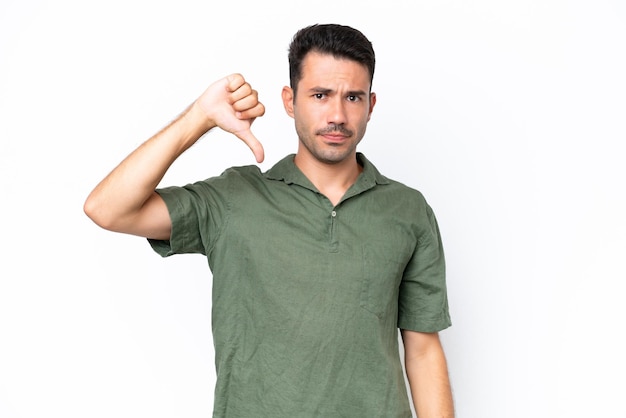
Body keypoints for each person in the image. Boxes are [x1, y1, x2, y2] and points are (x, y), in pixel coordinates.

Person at [84, 23, 454, 418]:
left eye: (353, 97)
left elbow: (422, 348)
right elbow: (107, 209)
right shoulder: (235, 198)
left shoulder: (407, 210)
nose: (338, 115)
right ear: (290, 100)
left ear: (371, 105)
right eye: (320, 95)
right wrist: (199, 118)